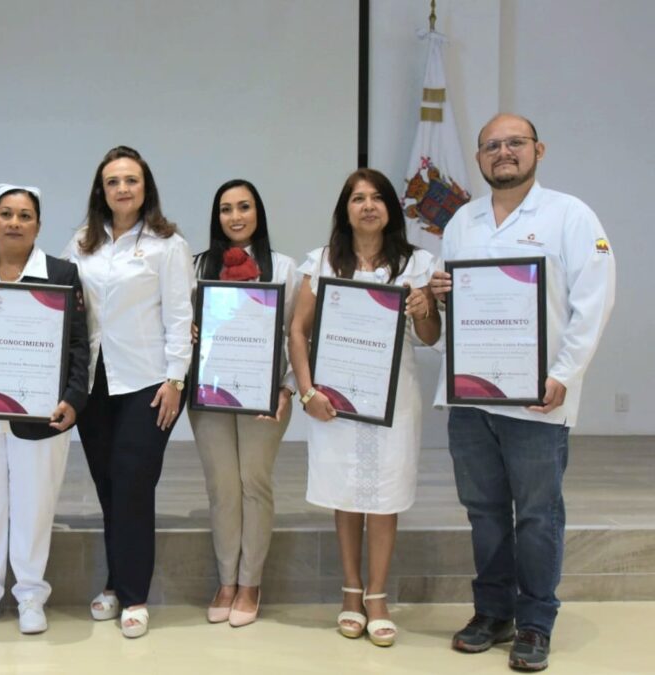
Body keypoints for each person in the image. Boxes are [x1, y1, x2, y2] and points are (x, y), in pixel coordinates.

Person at [430, 114, 615, 672]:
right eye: (491, 146)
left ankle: (535, 621)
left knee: (537, 515)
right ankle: (492, 612)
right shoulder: (462, 221)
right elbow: (459, 303)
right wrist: (442, 292)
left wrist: (564, 373)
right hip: (471, 400)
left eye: (514, 143)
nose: (503, 152)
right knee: (484, 512)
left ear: (539, 149)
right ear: (480, 157)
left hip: (538, 400)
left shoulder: (571, 216)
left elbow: (595, 301)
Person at [289, 168, 440, 647]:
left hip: (393, 401)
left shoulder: (418, 263)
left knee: (386, 495)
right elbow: (297, 331)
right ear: (345, 209)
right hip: (336, 400)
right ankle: (350, 591)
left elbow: (432, 339)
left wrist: (426, 310)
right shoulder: (321, 263)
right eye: (358, 198)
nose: (368, 206)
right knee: (347, 492)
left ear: (391, 208)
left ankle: (378, 595)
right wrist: (309, 393)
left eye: (377, 198)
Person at [63, 146, 193, 638]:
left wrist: (176, 379)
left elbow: (181, 316)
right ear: (102, 189)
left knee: (134, 485)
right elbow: (51, 286)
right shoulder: (81, 242)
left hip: (148, 383)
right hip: (95, 383)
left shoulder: (167, 244)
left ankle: (135, 595)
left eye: (131, 180)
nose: (122, 188)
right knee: (108, 487)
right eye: (113, 181)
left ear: (146, 188)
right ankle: (115, 582)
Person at [0, 184, 89, 635]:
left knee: (34, 505)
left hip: (40, 412)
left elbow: (78, 344)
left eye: (24, 215)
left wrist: (73, 397)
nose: (14, 223)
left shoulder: (62, 273)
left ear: (38, 226)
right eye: (6, 214)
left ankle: (30, 595)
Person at [188, 179, 298, 627]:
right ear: (216, 217)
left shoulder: (286, 269)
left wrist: (288, 389)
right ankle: (226, 580)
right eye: (226, 209)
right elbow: (179, 324)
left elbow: (298, 335)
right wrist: (191, 334)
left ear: (259, 212)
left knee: (254, 482)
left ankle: (250, 582)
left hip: (263, 395)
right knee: (221, 486)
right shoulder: (196, 268)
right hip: (210, 392)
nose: (235, 217)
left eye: (244, 207)